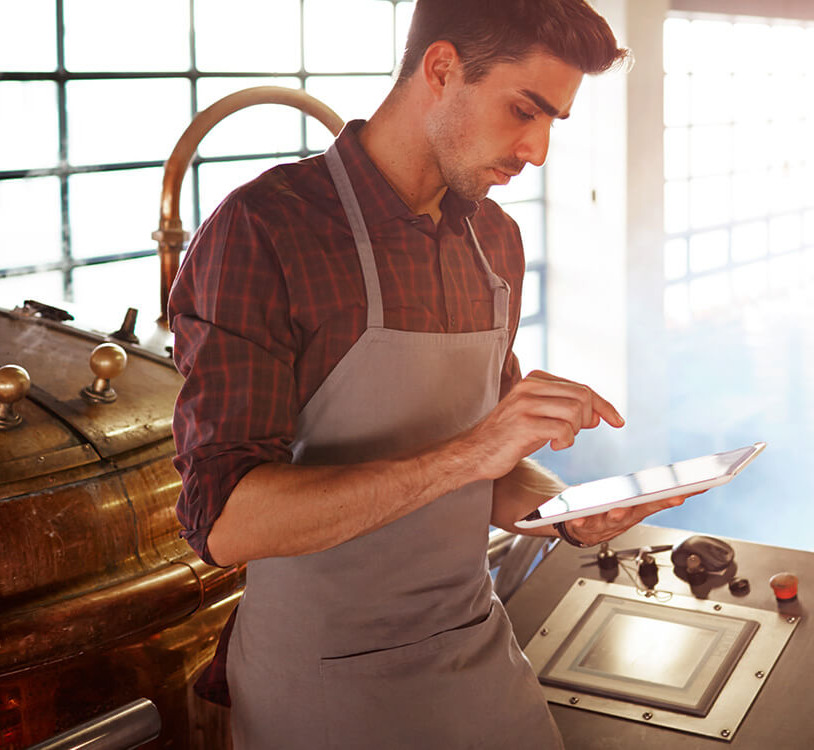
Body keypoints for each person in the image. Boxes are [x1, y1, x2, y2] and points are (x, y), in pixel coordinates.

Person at [169, 0, 688, 746]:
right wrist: (472, 453)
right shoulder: (265, 229)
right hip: (323, 682)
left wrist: (565, 510)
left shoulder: (493, 238)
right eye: (522, 110)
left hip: (474, 645)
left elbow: (488, 472)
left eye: (551, 124)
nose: (536, 150)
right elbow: (223, 522)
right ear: (441, 69)